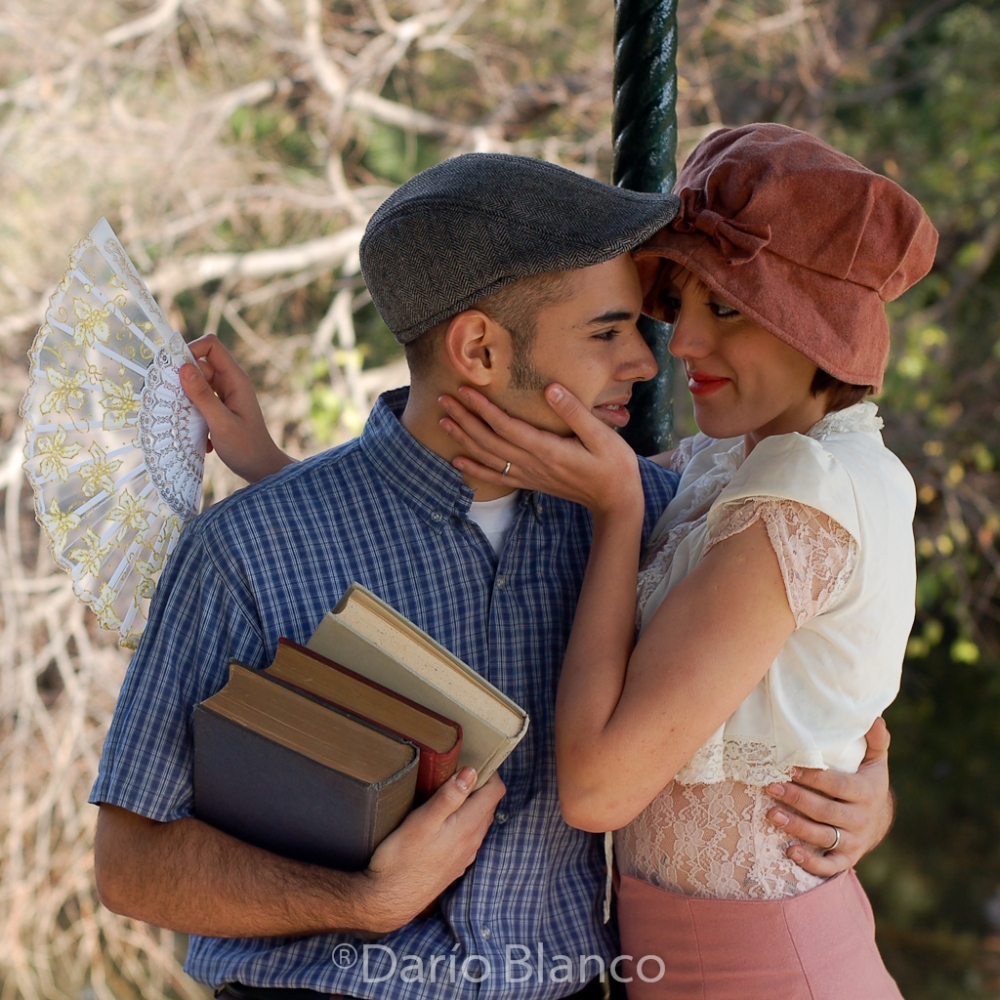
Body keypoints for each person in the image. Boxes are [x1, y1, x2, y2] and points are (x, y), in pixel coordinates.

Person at [92, 152, 895, 1000]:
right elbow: (132, 865)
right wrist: (364, 901)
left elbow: (813, 679)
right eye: (607, 331)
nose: (646, 364)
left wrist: (867, 794)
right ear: (478, 348)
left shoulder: (654, 516)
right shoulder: (249, 552)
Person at [433, 125, 937, 999]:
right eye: (686, 302)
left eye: (728, 309)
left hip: (766, 970)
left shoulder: (805, 484)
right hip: (694, 959)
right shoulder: (735, 460)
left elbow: (596, 791)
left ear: (815, 330)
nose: (686, 342)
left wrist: (622, 511)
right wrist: (276, 476)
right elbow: (500, 490)